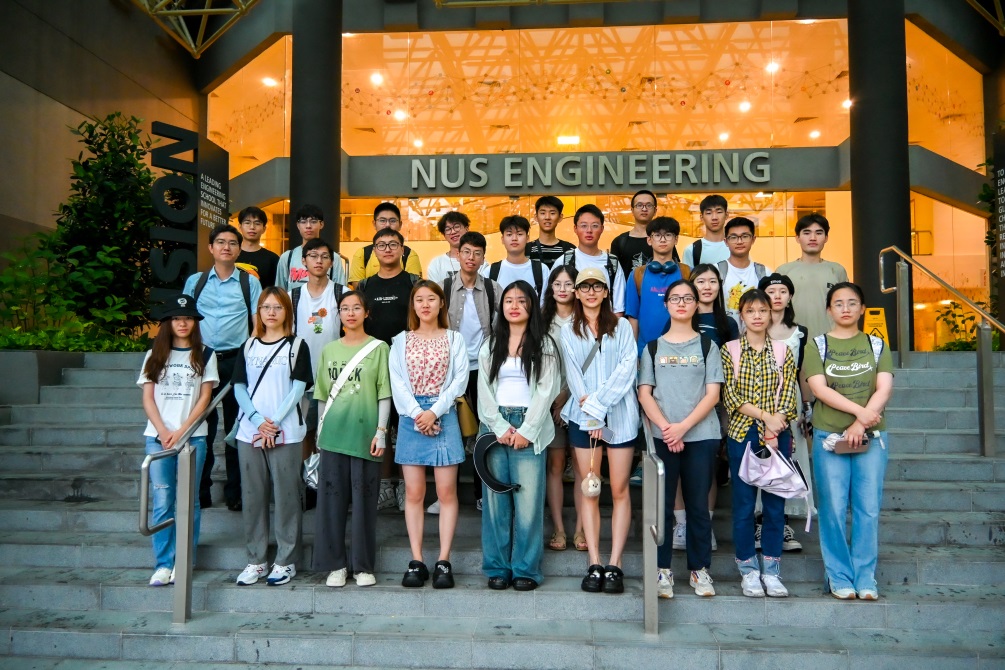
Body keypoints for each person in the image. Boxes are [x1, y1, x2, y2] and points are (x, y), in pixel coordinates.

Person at [805, 282, 894, 601]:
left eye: (852, 302)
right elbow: (819, 389)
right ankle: (839, 576)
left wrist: (860, 424)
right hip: (829, 437)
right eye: (838, 303)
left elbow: (884, 388)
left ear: (862, 309)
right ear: (829, 310)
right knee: (832, 508)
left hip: (871, 438)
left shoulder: (876, 344)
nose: (845, 308)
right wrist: (859, 414)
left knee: (868, 508)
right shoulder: (817, 345)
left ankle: (865, 577)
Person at [638, 280, 723, 598]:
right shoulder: (652, 348)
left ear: (696, 304)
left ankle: (699, 570)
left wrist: (682, 428)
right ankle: (662, 571)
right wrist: (667, 428)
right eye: (675, 298)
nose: (682, 303)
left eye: (688, 298)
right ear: (666, 305)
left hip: (701, 436)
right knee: (661, 507)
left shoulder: (707, 346)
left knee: (698, 505)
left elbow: (713, 394)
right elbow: (644, 394)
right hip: (663, 437)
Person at [477, 280, 562, 591]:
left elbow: (547, 389)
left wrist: (527, 429)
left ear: (532, 305)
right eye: (509, 300)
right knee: (495, 503)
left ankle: (526, 569)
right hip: (495, 425)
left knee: (528, 504)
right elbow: (483, 390)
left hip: (531, 424)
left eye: (521, 300)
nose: (514, 306)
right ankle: (497, 568)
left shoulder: (545, 344)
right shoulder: (490, 344)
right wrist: (500, 427)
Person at [560, 268, 639, 594]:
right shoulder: (568, 329)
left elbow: (627, 368)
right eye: (585, 286)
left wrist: (599, 406)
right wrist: (592, 415)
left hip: (619, 418)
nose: (591, 291)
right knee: (589, 489)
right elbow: (573, 375)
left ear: (606, 292)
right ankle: (594, 562)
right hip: (583, 419)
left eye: (597, 286)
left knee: (619, 490)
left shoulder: (622, 327)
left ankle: (615, 563)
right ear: (576, 292)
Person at [389, 280, 469, 589]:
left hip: (444, 413)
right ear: (413, 305)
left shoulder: (454, 339)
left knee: (447, 493)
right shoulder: (400, 340)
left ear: (441, 304)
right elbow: (397, 381)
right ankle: (417, 559)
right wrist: (417, 414)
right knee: (414, 493)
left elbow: (459, 380)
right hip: (410, 417)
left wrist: (433, 412)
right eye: (419, 299)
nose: (425, 304)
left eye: (431, 299)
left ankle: (444, 560)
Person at [232, 288, 313, 587]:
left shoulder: (297, 345)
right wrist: (258, 421)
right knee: (253, 497)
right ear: (259, 312)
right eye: (266, 307)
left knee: (287, 496)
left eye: (278, 307)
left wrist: (274, 422)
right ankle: (256, 560)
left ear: (287, 312)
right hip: (249, 432)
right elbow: (238, 386)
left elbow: (298, 388)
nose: (271, 312)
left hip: (286, 432)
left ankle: (286, 560)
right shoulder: (248, 346)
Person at [720, 289, 798, 598]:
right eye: (750, 311)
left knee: (775, 507)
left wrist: (775, 424)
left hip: (779, 434)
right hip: (743, 434)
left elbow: (789, 393)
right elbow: (731, 397)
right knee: (743, 506)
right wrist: (766, 418)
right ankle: (748, 570)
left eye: (762, 310)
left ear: (770, 314)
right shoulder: (730, 350)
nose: (757, 316)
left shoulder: (782, 351)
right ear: (741, 315)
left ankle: (772, 570)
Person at [312, 290, 392, 588]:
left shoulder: (379, 348)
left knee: (364, 504)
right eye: (344, 308)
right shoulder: (329, 350)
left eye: (356, 307)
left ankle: (362, 566)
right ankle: (335, 565)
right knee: (331, 504)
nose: (350, 313)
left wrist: (381, 432)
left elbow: (384, 393)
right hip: (333, 435)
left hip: (365, 436)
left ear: (366, 312)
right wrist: (319, 433)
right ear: (339, 314)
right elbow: (322, 395)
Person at [139, 294, 220, 587]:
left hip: (193, 437)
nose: (182, 323)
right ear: (168, 323)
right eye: (176, 318)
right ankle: (163, 564)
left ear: (195, 322)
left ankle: (185, 561)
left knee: (189, 501)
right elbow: (148, 398)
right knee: (162, 500)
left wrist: (183, 430)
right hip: (157, 439)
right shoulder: (155, 354)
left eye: (187, 318)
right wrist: (163, 431)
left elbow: (205, 398)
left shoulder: (206, 354)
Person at [184, 223, 263, 512]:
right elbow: (184, 320)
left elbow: (257, 323)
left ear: (239, 249)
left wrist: (251, 355)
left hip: (236, 360)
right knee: (201, 427)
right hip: (202, 359)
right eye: (220, 242)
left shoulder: (249, 282)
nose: (226, 247)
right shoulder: (196, 282)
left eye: (232, 243)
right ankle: (200, 491)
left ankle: (235, 493)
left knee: (236, 427)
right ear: (211, 247)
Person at [668, 263, 736, 552]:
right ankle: (682, 524)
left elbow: (733, 366)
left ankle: (704, 526)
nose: (707, 287)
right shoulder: (680, 317)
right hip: (678, 405)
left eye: (713, 281)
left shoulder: (728, 323)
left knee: (707, 469)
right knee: (678, 468)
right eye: (701, 281)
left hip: (714, 404)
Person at [432, 231, 502, 514]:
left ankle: (481, 494)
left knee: (484, 430)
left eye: (477, 253)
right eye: (466, 252)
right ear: (458, 254)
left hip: (483, 369)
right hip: (451, 369)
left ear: (484, 258)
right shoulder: (444, 287)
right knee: (448, 429)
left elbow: (503, 325)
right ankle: (444, 496)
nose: (471, 257)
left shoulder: (493, 288)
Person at [358, 227, 422, 513]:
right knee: (379, 426)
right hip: (374, 365)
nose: (387, 249)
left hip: (409, 366)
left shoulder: (413, 283)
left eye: (393, 244)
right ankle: (385, 486)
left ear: (402, 250)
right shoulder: (364, 286)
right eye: (381, 245)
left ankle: (407, 487)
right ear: (374, 251)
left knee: (406, 427)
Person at [758, 273, 810, 552]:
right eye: (771, 291)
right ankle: (760, 522)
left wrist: (807, 408)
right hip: (759, 402)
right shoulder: (753, 327)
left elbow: (802, 372)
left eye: (782, 291)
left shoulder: (800, 332)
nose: (777, 296)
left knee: (788, 460)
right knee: (760, 459)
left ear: (790, 296)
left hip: (791, 402)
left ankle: (783, 523)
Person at [291, 238, 346, 488]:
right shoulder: (293, 296)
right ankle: (306, 487)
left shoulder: (342, 293)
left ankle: (331, 485)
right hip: (302, 379)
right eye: (313, 256)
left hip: (335, 379)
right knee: (304, 432)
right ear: (304, 261)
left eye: (324, 256)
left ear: (332, 262)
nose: (319, 261)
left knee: (333, 435)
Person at [542, 265, 585, 552]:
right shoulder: (542, 320)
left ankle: (581, 529)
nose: (562, 289)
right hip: (549, 404)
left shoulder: (586, 319)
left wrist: (568, 396)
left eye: (568, 284)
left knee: (582, 467)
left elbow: (588, 364)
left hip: (580, 402)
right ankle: (558, 528)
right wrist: (553, 400)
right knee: (555, 465)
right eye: (557, 283)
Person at [624, 216, 691, 355]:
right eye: (657, 235)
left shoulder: (687, 273)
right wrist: (633, 354)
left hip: (682, 350)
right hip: (645, 352)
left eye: (668, 235)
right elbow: (633, 317)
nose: (663, 239)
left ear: (676, 239)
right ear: (649, 240)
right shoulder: (637, 275)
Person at [776, 214, 850, 339]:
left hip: (830, 341)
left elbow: (846, 307)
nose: (813, 238)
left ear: (826, 238)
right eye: (806, 233)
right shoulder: (784, 271)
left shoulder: (837, 270)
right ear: (797, 238)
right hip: (792, 341)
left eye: (819, 233)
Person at [558, 204, 627, 317]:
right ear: (575, 229)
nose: (589, 230)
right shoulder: (564, 261)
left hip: (605, 325)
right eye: (584, 226)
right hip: (571, 325)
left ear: (602, 229)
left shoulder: (612, 263)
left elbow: (618, 308)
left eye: (595, 226)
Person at [276, 204, 347, 292]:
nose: (308, 226)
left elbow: (340, 292)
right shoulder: (287, 257)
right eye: (303, 222)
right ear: (298, 225)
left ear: (321, 224)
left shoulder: (333, 257)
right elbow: (279, 293)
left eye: (313, 221)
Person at [348, 202, 423, 284]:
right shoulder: (362, 254)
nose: (387, 225)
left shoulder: (410, 254)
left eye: (392, 221)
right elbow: (358, 288)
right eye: (382, 220)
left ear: (400, 224)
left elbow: (414, 287)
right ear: (374, 224)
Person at [610, 189, 678, 277]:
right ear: (632, 210)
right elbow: (613, 274)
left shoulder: (663, 241)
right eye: (639, 205)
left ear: (655, 210)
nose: (644, 209)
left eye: (649, 205)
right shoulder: (619, 241)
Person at [718, 217, 770, 327]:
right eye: (733, 237)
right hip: (724, 334)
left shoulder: (764, 272)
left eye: (745, 236)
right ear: (726, 241)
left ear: (753, 239)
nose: (739, 241)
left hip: (757, 334)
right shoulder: (716, 271)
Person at [483, 215, 547, 302]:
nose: (514, 238)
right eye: (509, 234)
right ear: (502, 239)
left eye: (519, 234)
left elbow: (545, 304)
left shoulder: (542, 270)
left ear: (527, 238)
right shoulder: (490, 272)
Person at [236, 206, 280, 288]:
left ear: (264, 229)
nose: (252, 227)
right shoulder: (230, 254)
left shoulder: (273, 259)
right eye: (247, 223)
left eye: (257, 223)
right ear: (240, 227)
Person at [682, 195, 731, 268]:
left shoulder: (736, 246)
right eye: (709, 213)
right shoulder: (692, 250)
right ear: (701, 217)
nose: (714, 217)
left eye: (719, 212)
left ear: (726, 215)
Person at [527, 196, 575, 267]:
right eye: (543, 213)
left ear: (560, 217)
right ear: (536, 217)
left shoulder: (570, 250)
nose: (547, 217)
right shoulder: (526, 250)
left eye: (552, 213)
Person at [427, 211, 471, 283]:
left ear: (467, 229)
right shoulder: (436, 264)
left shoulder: (478, 261)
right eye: (447, 229)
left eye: (456, 227)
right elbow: (434, 289)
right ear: (444, 235)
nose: (453, 232)